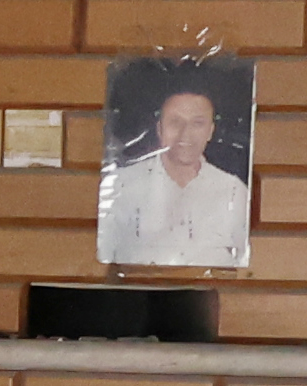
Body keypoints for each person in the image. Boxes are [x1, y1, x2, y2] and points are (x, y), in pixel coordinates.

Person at [102, 74, 257, 272]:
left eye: (197, 123)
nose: (185, 134)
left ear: (210, 131)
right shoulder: (122, 186)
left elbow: (247, 266)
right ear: (159, 129)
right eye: (175, 122)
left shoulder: (233, 191)